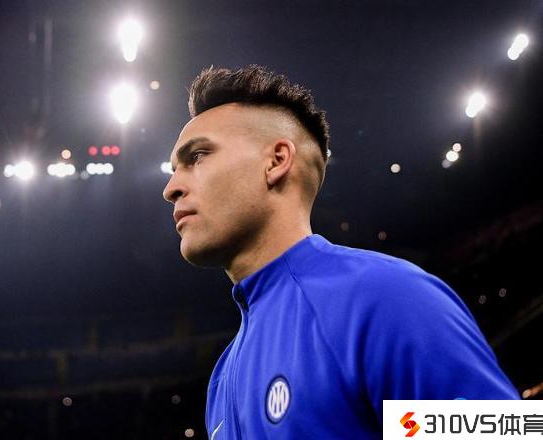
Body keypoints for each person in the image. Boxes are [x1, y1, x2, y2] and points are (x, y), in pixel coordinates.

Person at [162, 66, 518, 439]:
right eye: (174, 169)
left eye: (197, 156)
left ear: (276, 161)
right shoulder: (222, 378)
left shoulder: (382, 298)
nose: (170, 188)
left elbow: (502, 432)